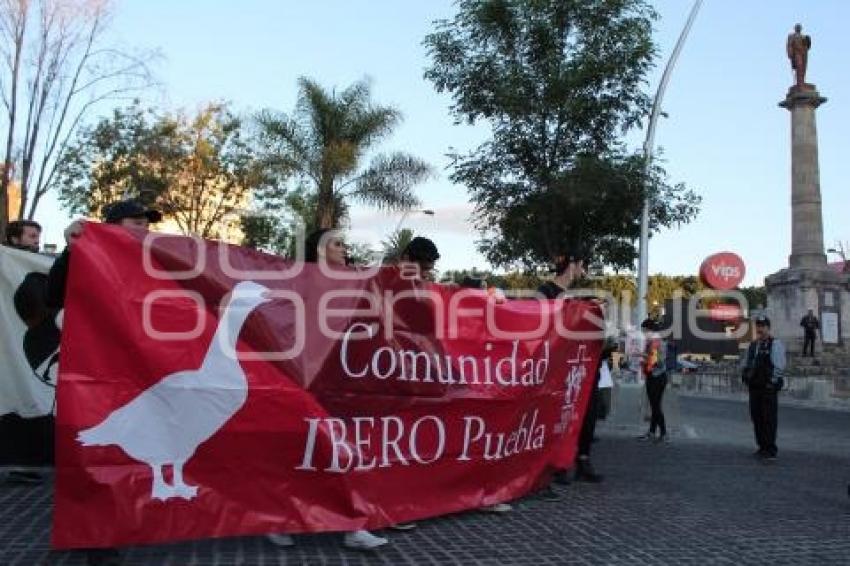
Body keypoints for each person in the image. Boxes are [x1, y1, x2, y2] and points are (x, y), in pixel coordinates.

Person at [47, 199, 161, 566]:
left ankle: (123, 519)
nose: (144, 227)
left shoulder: (156, 261)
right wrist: (72, 248)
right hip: (94, 372)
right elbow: (54, 296)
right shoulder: (84, 254)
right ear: (111, 224)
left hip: (141, 372)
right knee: (93, 447)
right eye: (136, 220)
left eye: (147, 222)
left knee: (131, 448)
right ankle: (90, 530)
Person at [266, 228, 389, 550]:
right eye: (336, 243)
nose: (344, 247)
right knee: (300, 451)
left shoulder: (354, 280)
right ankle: (280, 519)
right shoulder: (303, 280)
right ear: (319, 250)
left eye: (343, 243)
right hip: (306, 376)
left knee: (346, 449)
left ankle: (353, 525)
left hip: (342, 377)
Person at [535, 250, 589, 499]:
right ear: (573, 264)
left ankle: (548, 472)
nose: (585, 271)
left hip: (560, 374)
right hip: (546, 372)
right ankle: (538, 478)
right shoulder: (545, 293)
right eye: (583, 265)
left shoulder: (568, 297)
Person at [740, 315, 786, 461]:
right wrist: (746, 377)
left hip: (767, 388)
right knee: (757, 418)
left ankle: (770, 448)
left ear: (768, 328)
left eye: (763, 326)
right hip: (755, 388)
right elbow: (746, 363)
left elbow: (779, 366)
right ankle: (761, 446)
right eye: (758, 326)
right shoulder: (753, 345)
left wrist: (771, 383)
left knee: (768, 419)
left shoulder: (775, 344)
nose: (760, 329)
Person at [638, 318, 669, 443]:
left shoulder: (655, 341)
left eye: (644, 330)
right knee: (654, 406)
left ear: (648, 329)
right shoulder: (653, 340)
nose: (643, 332)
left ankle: (664, 433)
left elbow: (656, 360)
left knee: (656, 406)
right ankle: (652, 432)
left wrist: (642, 356)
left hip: (656, 377)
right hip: (656, 376)